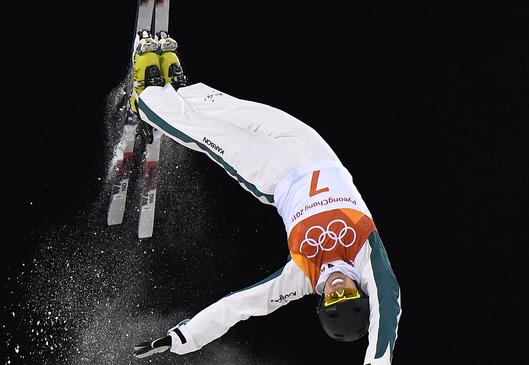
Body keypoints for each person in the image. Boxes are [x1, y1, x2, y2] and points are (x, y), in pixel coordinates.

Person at [127, 31, 402, 365]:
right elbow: (388, 309)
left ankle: (145, 99)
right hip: (315, 151)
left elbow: (241, 305)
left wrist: (184, 338)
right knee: (233, 110)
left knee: (209, 134)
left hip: (273, 175)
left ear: (322, 302)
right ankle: (180, 90)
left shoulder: (302, 277)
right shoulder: (366, 257)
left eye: (333, 298)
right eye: (347, 294)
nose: (338, 287)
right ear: (360, 293)